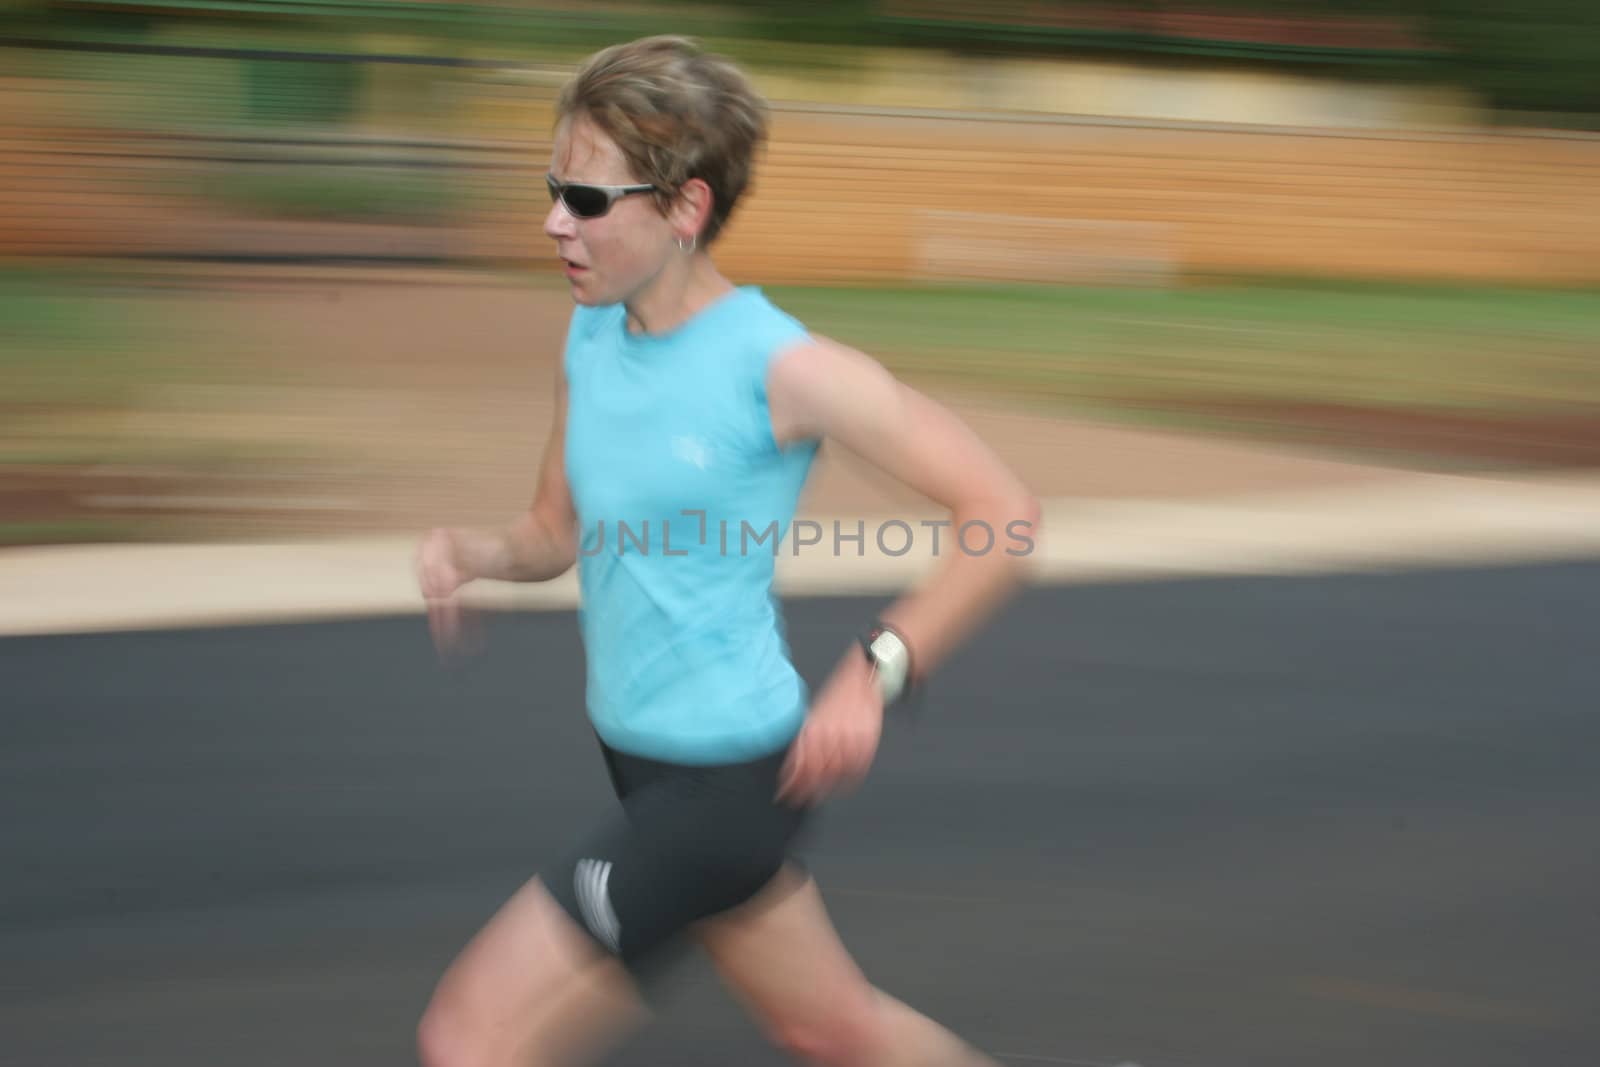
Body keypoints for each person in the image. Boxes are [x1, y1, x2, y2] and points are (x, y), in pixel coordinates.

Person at [413, 35, 1041, 1067]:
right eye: (551, 189)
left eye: (586, 198)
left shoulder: (783, 367)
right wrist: (475, 551)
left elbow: (1003, 514)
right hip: (641, 763)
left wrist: (870, 674)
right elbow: (558, 533)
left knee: (469, 1036)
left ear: (685, 209)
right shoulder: (590, 335)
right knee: (832, 1030)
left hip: (726, 784)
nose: (553, 221)